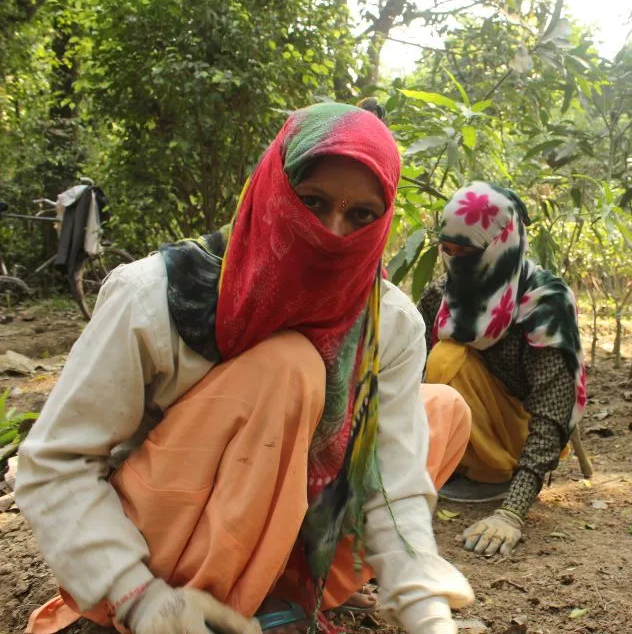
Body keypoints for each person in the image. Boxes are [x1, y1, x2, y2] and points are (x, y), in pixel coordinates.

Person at [15, 102, 474, 634]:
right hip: (162, 555)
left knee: (440, 410)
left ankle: (287, 590)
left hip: (286, 529)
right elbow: (56, 463)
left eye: (361, 216)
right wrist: (137, 596)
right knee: (291, 367)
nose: (331, 233)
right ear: (274, 188)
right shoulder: (154, 294)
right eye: (313, 201)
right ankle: (197, 609)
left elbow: (393, 481)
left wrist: (425, 608)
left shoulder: (387, 321)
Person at [416, 182, 587, 558]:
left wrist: (512, 511)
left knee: (447, 357)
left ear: (500, 247)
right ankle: (457, 463)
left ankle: (493, 473)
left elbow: (553, 411)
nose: (456, 261)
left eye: (468, 252)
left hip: (520, 434)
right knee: (439, 356)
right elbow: (405, 376)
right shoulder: (441, 295)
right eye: (448, 250)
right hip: (464, 427)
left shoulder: (545, 303)